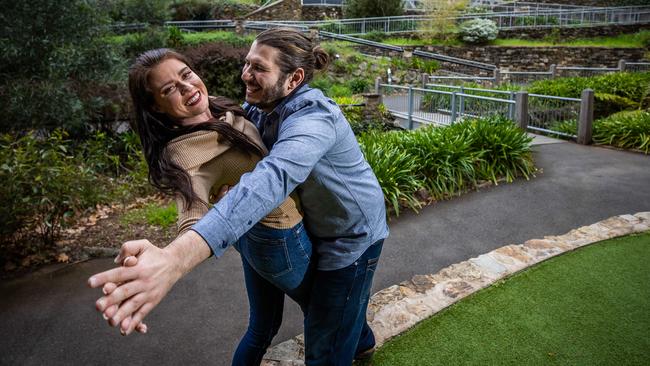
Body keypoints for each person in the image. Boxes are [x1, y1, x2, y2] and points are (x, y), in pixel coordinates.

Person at [89, 27, 389, 365]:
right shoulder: (257, 106)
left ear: (294, 80)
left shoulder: (313, 119)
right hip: (309, 227)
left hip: (350, 236)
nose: (245, 74)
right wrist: (173, 253)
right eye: (247, 63)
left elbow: (271, 178)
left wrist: (175, 260)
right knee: (330, 311)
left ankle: (352, 341)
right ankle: (360, 341)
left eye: (259, 68)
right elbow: (194, 203)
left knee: (326, 340)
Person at [102, 48, 315, 365]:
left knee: (263, 326)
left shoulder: (218, 108)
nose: (187, 88)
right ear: (155, 106)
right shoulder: (184, 154)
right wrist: (169, 259)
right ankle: (361, 341)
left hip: (252, 238)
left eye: (185, 74)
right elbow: (192, 215)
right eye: (169, 89)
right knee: (324, 309)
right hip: (280, 239)